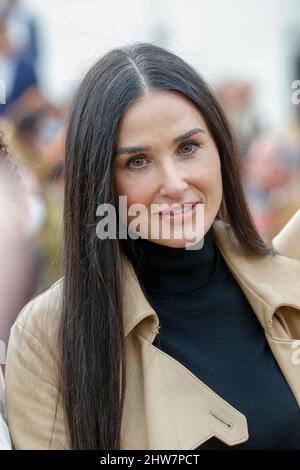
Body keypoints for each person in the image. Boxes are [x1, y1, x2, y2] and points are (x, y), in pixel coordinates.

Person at [4, 42, 300, 450]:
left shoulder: (286, 278)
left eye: (188, 148)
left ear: (220, 150)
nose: (175, 183)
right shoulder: (48, 337)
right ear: (101, 181)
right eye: (137, 161)